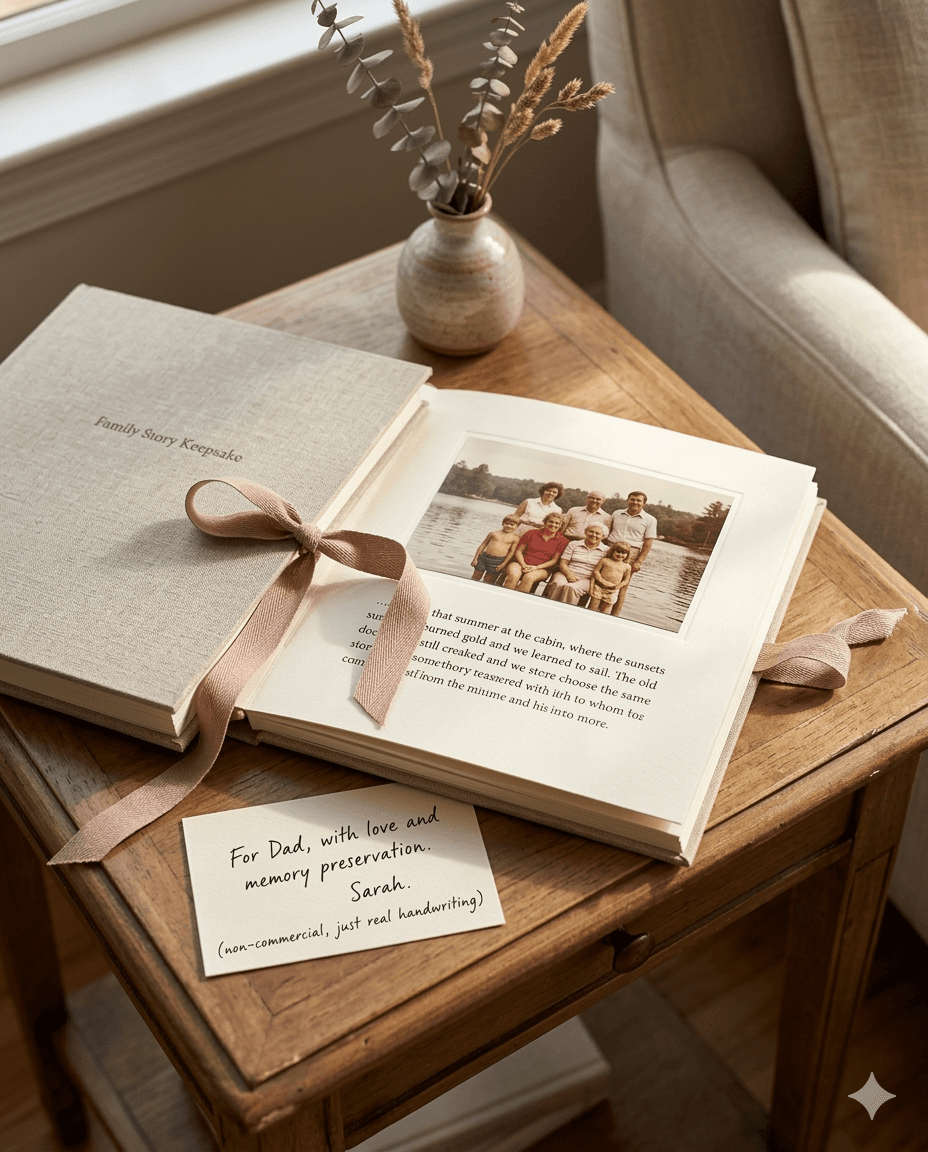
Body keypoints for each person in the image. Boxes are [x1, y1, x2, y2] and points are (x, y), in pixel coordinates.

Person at [604, 491, 657, 616]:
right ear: (627, 500)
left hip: (631, 553)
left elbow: (648, 542)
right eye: (632, 499)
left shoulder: (650, 520)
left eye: (639, 500)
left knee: (622, 586)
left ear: (644, 504)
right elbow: (608, 532)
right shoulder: (616, 513)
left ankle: (614, 616)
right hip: (611, 548)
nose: (635, 502)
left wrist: (639, 561)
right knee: (601, 579)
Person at [502, 512, 567, 593]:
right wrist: (523, 565)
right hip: (520, 563)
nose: (553, 525)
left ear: (560, 525)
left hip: (542, 568)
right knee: (514, 575)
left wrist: (536, 567)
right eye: (551, 521)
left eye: (557, 523)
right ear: (545, 522)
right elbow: (518, 551)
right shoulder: (531, 533)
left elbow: (554, 560)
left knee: (529, 577)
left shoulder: (562, 541)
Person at [544, 523, 608, 605]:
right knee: (557, 584)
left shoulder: (606, 551)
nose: (593, 535)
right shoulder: (574, 544)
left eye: (597, 533)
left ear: (603, 536)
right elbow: (563, 563)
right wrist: (569, 574)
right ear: (585, 532)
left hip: (587, 579)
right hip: (565, 573)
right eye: (591, 531)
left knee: (571, 588)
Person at [470, 515, 521, 583]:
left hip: (498, 561)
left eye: (512, 525)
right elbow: (483, 545)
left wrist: (503, 564)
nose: (508, 526)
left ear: (517, 526)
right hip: (484, 558)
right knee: (475, 577)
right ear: (502, 523)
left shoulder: (515, 538)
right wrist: (475, 558)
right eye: (506, 523)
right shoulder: (493, 533)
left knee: (488, 580)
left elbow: (511, 552)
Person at [587, 543, 632, 613]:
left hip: (612, 590)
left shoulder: (627, 566)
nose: (620, 555)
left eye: (623, 553)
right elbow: (596, 571)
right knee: (592, 608)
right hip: (599, 587)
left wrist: (617, 587)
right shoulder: (605, 560)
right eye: (618, 552)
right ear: (612, 551)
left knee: (605, 610)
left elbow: (626, 580)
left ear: (627, 555)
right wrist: (603, 581)